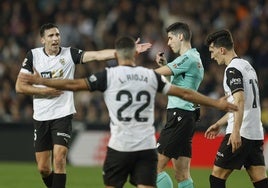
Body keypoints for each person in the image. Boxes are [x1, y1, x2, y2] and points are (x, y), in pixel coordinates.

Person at [18, 36, 237, 188]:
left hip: (119, 148)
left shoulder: (108, 75)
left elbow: (74, 85)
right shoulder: (149, 76)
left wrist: (40, 80)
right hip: (145, 147)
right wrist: (216, 104)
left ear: (117, 54)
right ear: (134, 53)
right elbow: (185, 93)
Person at [15, 23, 151, 188]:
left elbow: (97, 55)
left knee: (60, 157)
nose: (55, 38)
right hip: (41, 116)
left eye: (57, 35)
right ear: (42, 40)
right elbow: (19, 87)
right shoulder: (33, 56)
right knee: (43, 168)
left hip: (62, 114)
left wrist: (128, 51)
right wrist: (44, 92)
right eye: (50, 36)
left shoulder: (69, 54)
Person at [204, 29, 268, 188]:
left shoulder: (232, 70)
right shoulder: (247, 66)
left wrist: (235, 131)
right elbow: (244, 103)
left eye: (212, 52)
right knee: (260, 179)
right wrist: (220, 122)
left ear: (221, 50)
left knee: (217, 177)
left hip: (241, 131)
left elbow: (239, 101)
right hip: (255, 133)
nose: (212, 56)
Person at [154, 22, 204, 188]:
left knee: (153, 168)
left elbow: (155, 75)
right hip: (185, 117)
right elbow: (175, 88)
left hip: (179, 116)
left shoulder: (188, 58)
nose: (168, 43)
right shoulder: (192, 58)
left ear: (180, 36)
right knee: (182, 174)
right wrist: (165, 65)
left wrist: (136, 74)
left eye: (170, 38)